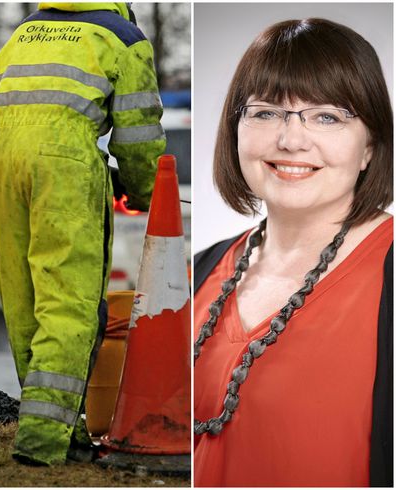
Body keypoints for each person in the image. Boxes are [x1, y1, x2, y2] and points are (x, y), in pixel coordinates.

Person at [193, 18, 393, 487]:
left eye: (327, 116)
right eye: (265, 113)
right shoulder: (199, 269)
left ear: (370, 146)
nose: (291, 139)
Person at [0, 2, 164, 465]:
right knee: (69, 302)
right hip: (62, 163)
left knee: (23, 296)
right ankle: (43, 446)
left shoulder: (25, 31)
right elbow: (137, 139)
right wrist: (145, 193)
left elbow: (2, 105)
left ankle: (58, 428)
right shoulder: (123, 37)